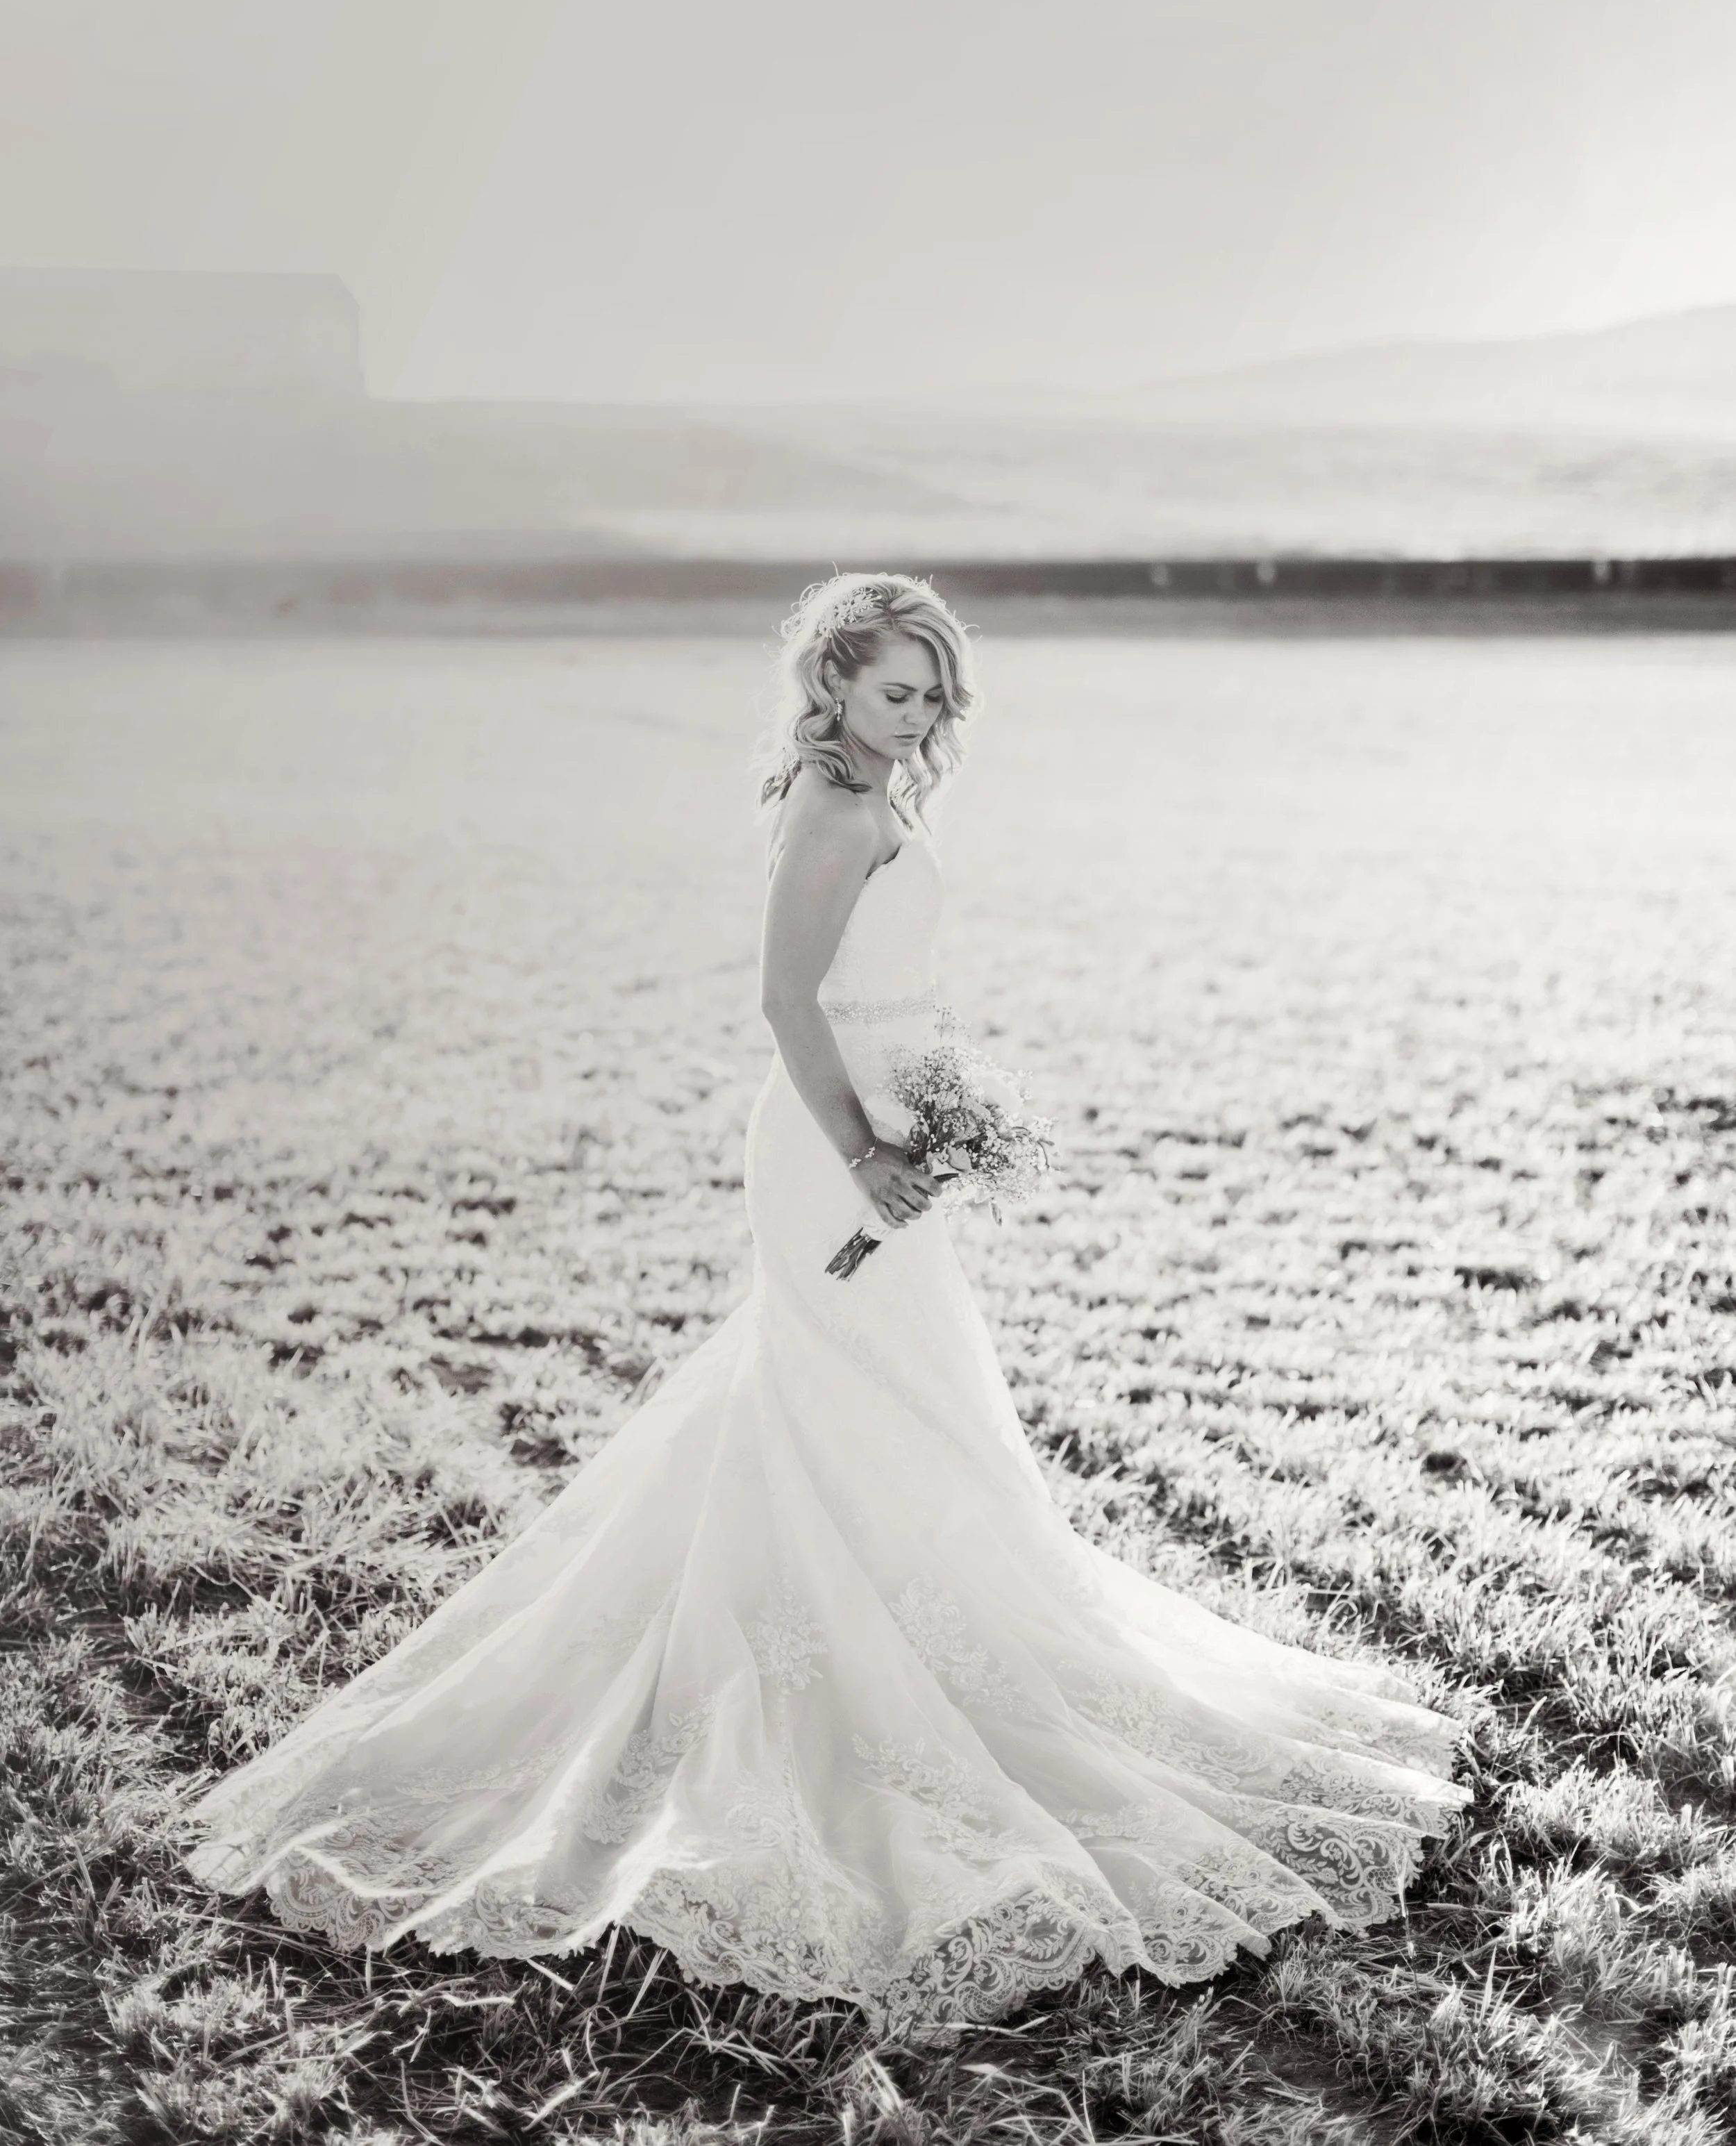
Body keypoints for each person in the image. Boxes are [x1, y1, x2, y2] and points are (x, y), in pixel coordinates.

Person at [183, 571, 1469, 2036]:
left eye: (933, 692)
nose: (919, 713)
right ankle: (814, 1674)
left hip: (888, 1122)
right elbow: (788, 1001)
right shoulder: (831, 806)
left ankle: (915, 1632)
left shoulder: (877, 797)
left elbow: (876, 983)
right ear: (832, 690)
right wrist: (864, 1152)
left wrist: (935, 1108)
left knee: (889, 1401)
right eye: (893, 691)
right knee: (833, 1393)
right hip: (825, 1144)